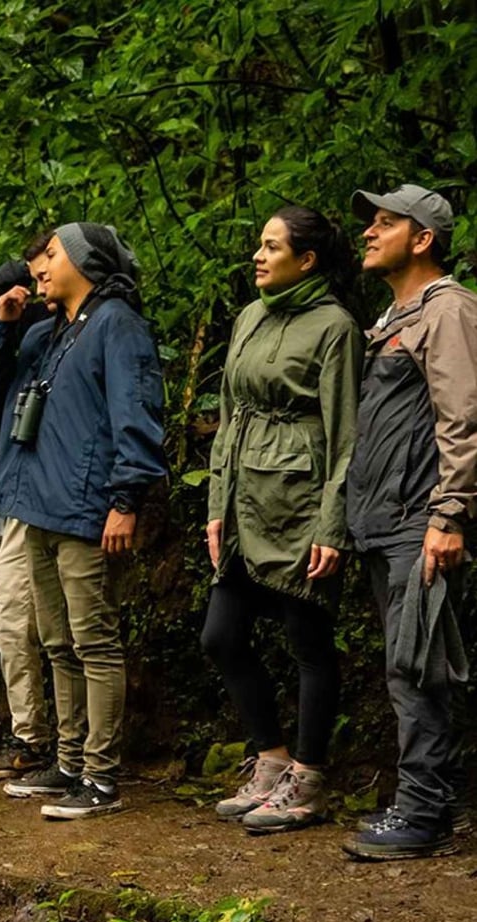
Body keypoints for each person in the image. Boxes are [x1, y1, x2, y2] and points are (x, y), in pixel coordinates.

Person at [0, 223, 168, 819]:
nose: (38, 265)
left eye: (52, 255)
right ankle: (68, 763)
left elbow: (135, 414)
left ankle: (103, 777)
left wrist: (125, 499)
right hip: (34, 504)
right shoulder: (44, 333)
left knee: (94, 642)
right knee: (57, 642)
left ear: (85, 261)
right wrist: (4, 329)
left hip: (86, 508)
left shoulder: (118, 325)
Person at [201, 206, 362, 833]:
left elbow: (346, 430)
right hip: (244, 500)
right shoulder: (249, 316)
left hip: (300, 501)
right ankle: (271, 759)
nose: (259, 257)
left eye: (272, 247)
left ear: (308, 259)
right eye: (259, 247)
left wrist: (333, 524)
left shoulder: (335, 327)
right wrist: (216, 507)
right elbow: (228, 415)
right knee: (221, 635)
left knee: (309, 642)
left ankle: (309, 778)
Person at [339, 184, 476, 861]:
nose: (369, 232)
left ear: (422, 238)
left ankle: (423, 814)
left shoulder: (448, 310)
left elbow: (464, 418)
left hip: (419, 519)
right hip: (382, 520)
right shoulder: (395, 314)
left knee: (414, 665)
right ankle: (423, 800)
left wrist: (448, 513)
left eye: (386, 223)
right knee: (404, 662)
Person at [0, 241, 57, 782]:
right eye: (40, 260)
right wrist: (12, 307)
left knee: (61, 629)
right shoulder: (33, 327)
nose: (43, 271)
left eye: (53, 258)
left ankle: (66, 752)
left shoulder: (94, 325)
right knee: (9, 616)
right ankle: (31, 737)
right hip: (23, 484)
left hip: (62, 490)